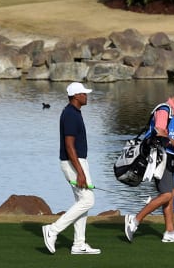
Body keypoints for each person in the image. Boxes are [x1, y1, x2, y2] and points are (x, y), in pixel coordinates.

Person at [124, 83, 174, 243]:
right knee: (166, 194)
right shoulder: (164, 110)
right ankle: (135, 221)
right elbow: (159, 133)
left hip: (168, 158)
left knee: (171, 194)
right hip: (159, 157)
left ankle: (170, 232)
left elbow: (170, 134)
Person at [41, 82, 101, 255]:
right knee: (88, 200)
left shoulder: (74, 112)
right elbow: (69, 145)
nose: (86, 96)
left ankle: (79, 244)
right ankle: (52, 230)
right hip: (73, 163)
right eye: (84, 94)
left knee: (83, 202)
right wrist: (80, 172)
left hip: (78, 162)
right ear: (76, 96)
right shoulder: (70, 115)